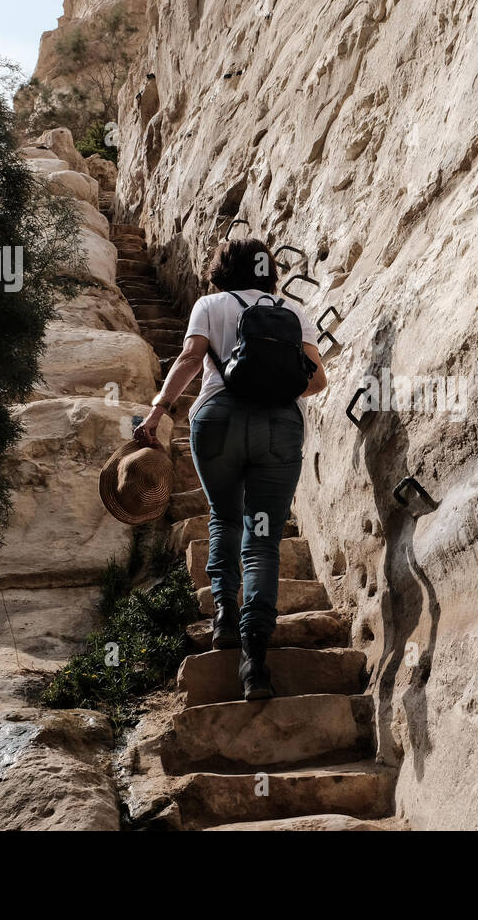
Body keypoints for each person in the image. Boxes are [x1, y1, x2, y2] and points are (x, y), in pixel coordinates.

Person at [134, 238, 327, 699]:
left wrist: (158, 412)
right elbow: (318, 380)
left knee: (224, 516)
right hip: (278, 429)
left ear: (222, 269)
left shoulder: (210, 304)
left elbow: (188, 359)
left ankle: (223, 613)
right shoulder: (292, 311)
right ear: (268, 270)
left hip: (217, 421)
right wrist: (272, 396)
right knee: (262, 541)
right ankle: (254, 662)